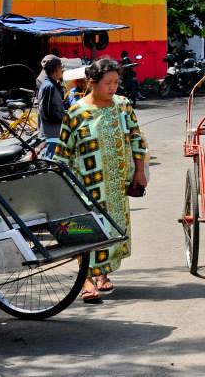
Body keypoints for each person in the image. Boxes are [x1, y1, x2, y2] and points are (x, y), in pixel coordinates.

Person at [54, 58, 148, 304]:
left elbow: (137, 139)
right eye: (108, 83)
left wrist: (140, 171)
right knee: (86, 229)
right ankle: (86, 279)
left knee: (110, 228)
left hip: (116, 184)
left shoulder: (123, 105)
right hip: (84, 183)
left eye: (116, 82)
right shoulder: (76, 112)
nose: (113, 87)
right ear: (92, 83)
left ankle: (102, 273)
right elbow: (63, 152)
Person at [36, 56, 66, 158]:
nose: (62, 70)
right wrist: (63, 117)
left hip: (52, 130)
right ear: (56, 69)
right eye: (61, 67)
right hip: (51, 131)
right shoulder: (49, 86)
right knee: (51, 161)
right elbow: (47, 112)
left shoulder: (51, 85)